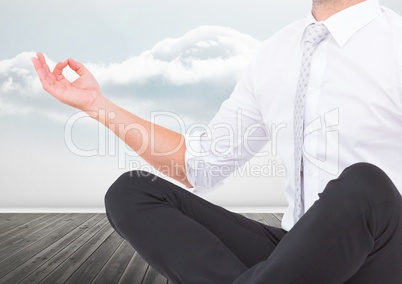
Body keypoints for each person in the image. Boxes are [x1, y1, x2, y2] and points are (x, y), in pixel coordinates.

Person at [32, 0, 402, 282]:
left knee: (364, 184)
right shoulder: (276, 51)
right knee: (130, 192)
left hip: (383, 251)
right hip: (295, 256)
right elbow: (200, 166)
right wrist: (96, 105)